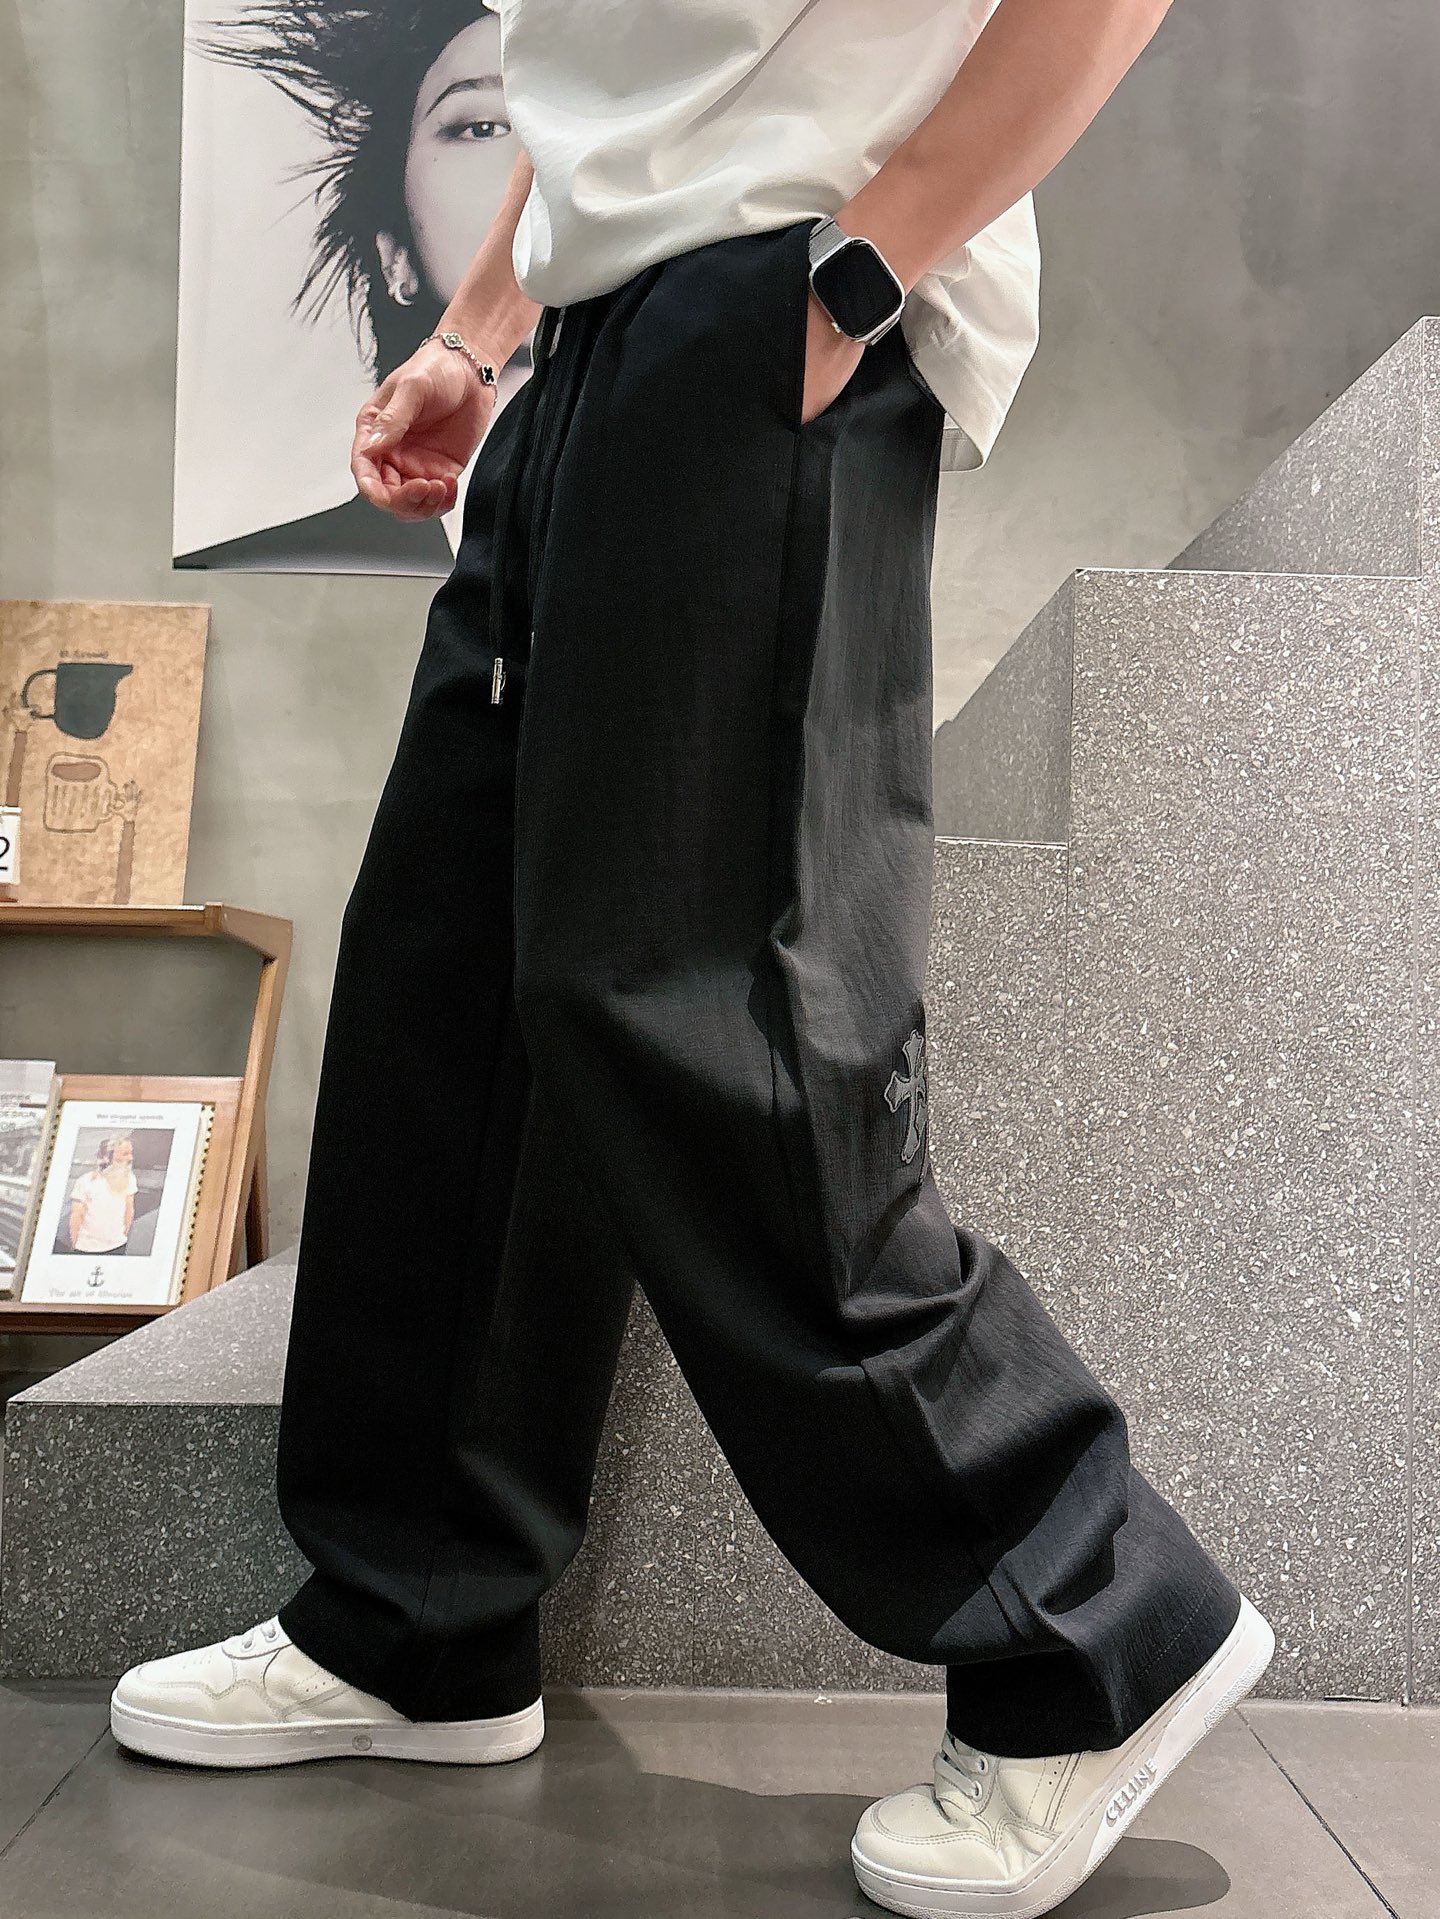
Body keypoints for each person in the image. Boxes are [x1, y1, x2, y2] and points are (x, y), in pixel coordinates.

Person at [113, 1, 1276, 1913]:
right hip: (597, 336)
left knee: (706, 996)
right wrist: (480, 336)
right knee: (457, 979)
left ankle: (1089, 1615)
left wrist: (863, 271)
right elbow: (607, 65)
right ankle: (420, 1613)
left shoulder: (810, 287)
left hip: (775, 296)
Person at [178, 2, 531, 573]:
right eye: (482, 128)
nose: (534, 165)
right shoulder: (277, 568)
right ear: (397, 257)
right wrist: (467, 347)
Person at [65, 1135, 136, 1256]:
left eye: (131, 1153)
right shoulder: (86, 1181)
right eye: (125, 1154)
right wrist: (74, 1243)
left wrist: (122, 1235)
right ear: (107, 1157)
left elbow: (129, 1209)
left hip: (118, 1245)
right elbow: (76, 1215)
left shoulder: (130, 1178)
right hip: (86, 1248)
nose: (130, 1158)